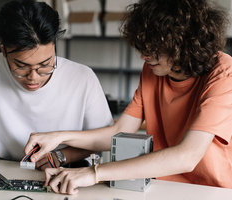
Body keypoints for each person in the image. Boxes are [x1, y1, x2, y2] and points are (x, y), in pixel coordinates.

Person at [24, 0, 232, 195]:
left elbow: (187, 157)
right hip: (162, 186)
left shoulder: (224, 74)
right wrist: (59, 137)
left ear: (183, 43)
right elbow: (118, 131)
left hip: (213, 191)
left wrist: (94, 172)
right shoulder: (154, 70)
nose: (144, 56)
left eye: (154, 50)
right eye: (143, 48)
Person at [0, 0, 113, 185]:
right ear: (3, 50)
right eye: (21, 67)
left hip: (69, 175)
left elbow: (104, 139)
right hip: (3, 175)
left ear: (54, 44)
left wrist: (61, 156)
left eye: (45, 65)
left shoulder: (82, 78)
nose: (34, 77)